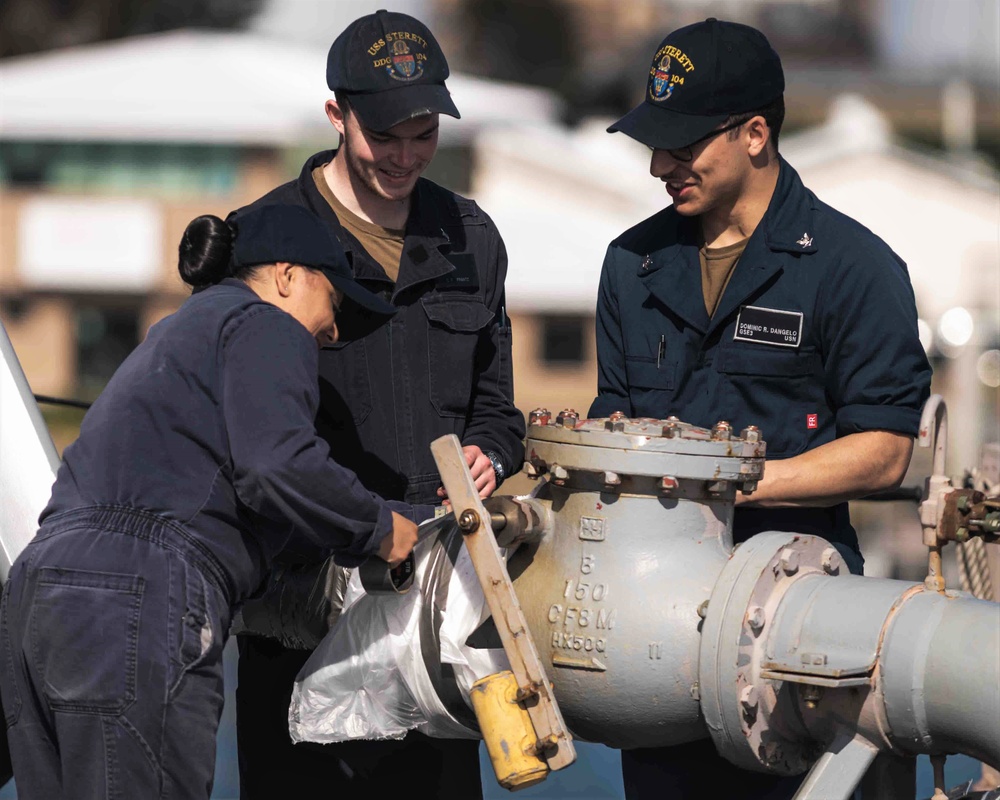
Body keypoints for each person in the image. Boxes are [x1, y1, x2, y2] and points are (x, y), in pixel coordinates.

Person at [590, 18, 932, 800]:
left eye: (682, 146)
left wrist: (738, 483)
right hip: (659, 645)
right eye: (654, 143)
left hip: (802, 644)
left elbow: (884, 448)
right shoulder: (630, 264)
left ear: (753, 133)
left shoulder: (855, 269)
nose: (658, 166)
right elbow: (616, 422)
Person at [0, 204, 426, 799]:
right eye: (334, 300)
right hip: (140, 592)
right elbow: (277, 463)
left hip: (36, 593)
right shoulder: (265, 324)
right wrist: (380, 527)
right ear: (286, 275)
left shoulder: (169, 336)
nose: (333, 330)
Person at [230, 9, 525, 798]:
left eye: (422, 133)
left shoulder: (473, 238)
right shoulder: (266, 241)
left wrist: (492, 453)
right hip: (299, 617)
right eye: (383, 134)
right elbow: (246, 441)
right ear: (337, 114)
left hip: (437, 623)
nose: (404, 156)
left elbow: (499, 409)